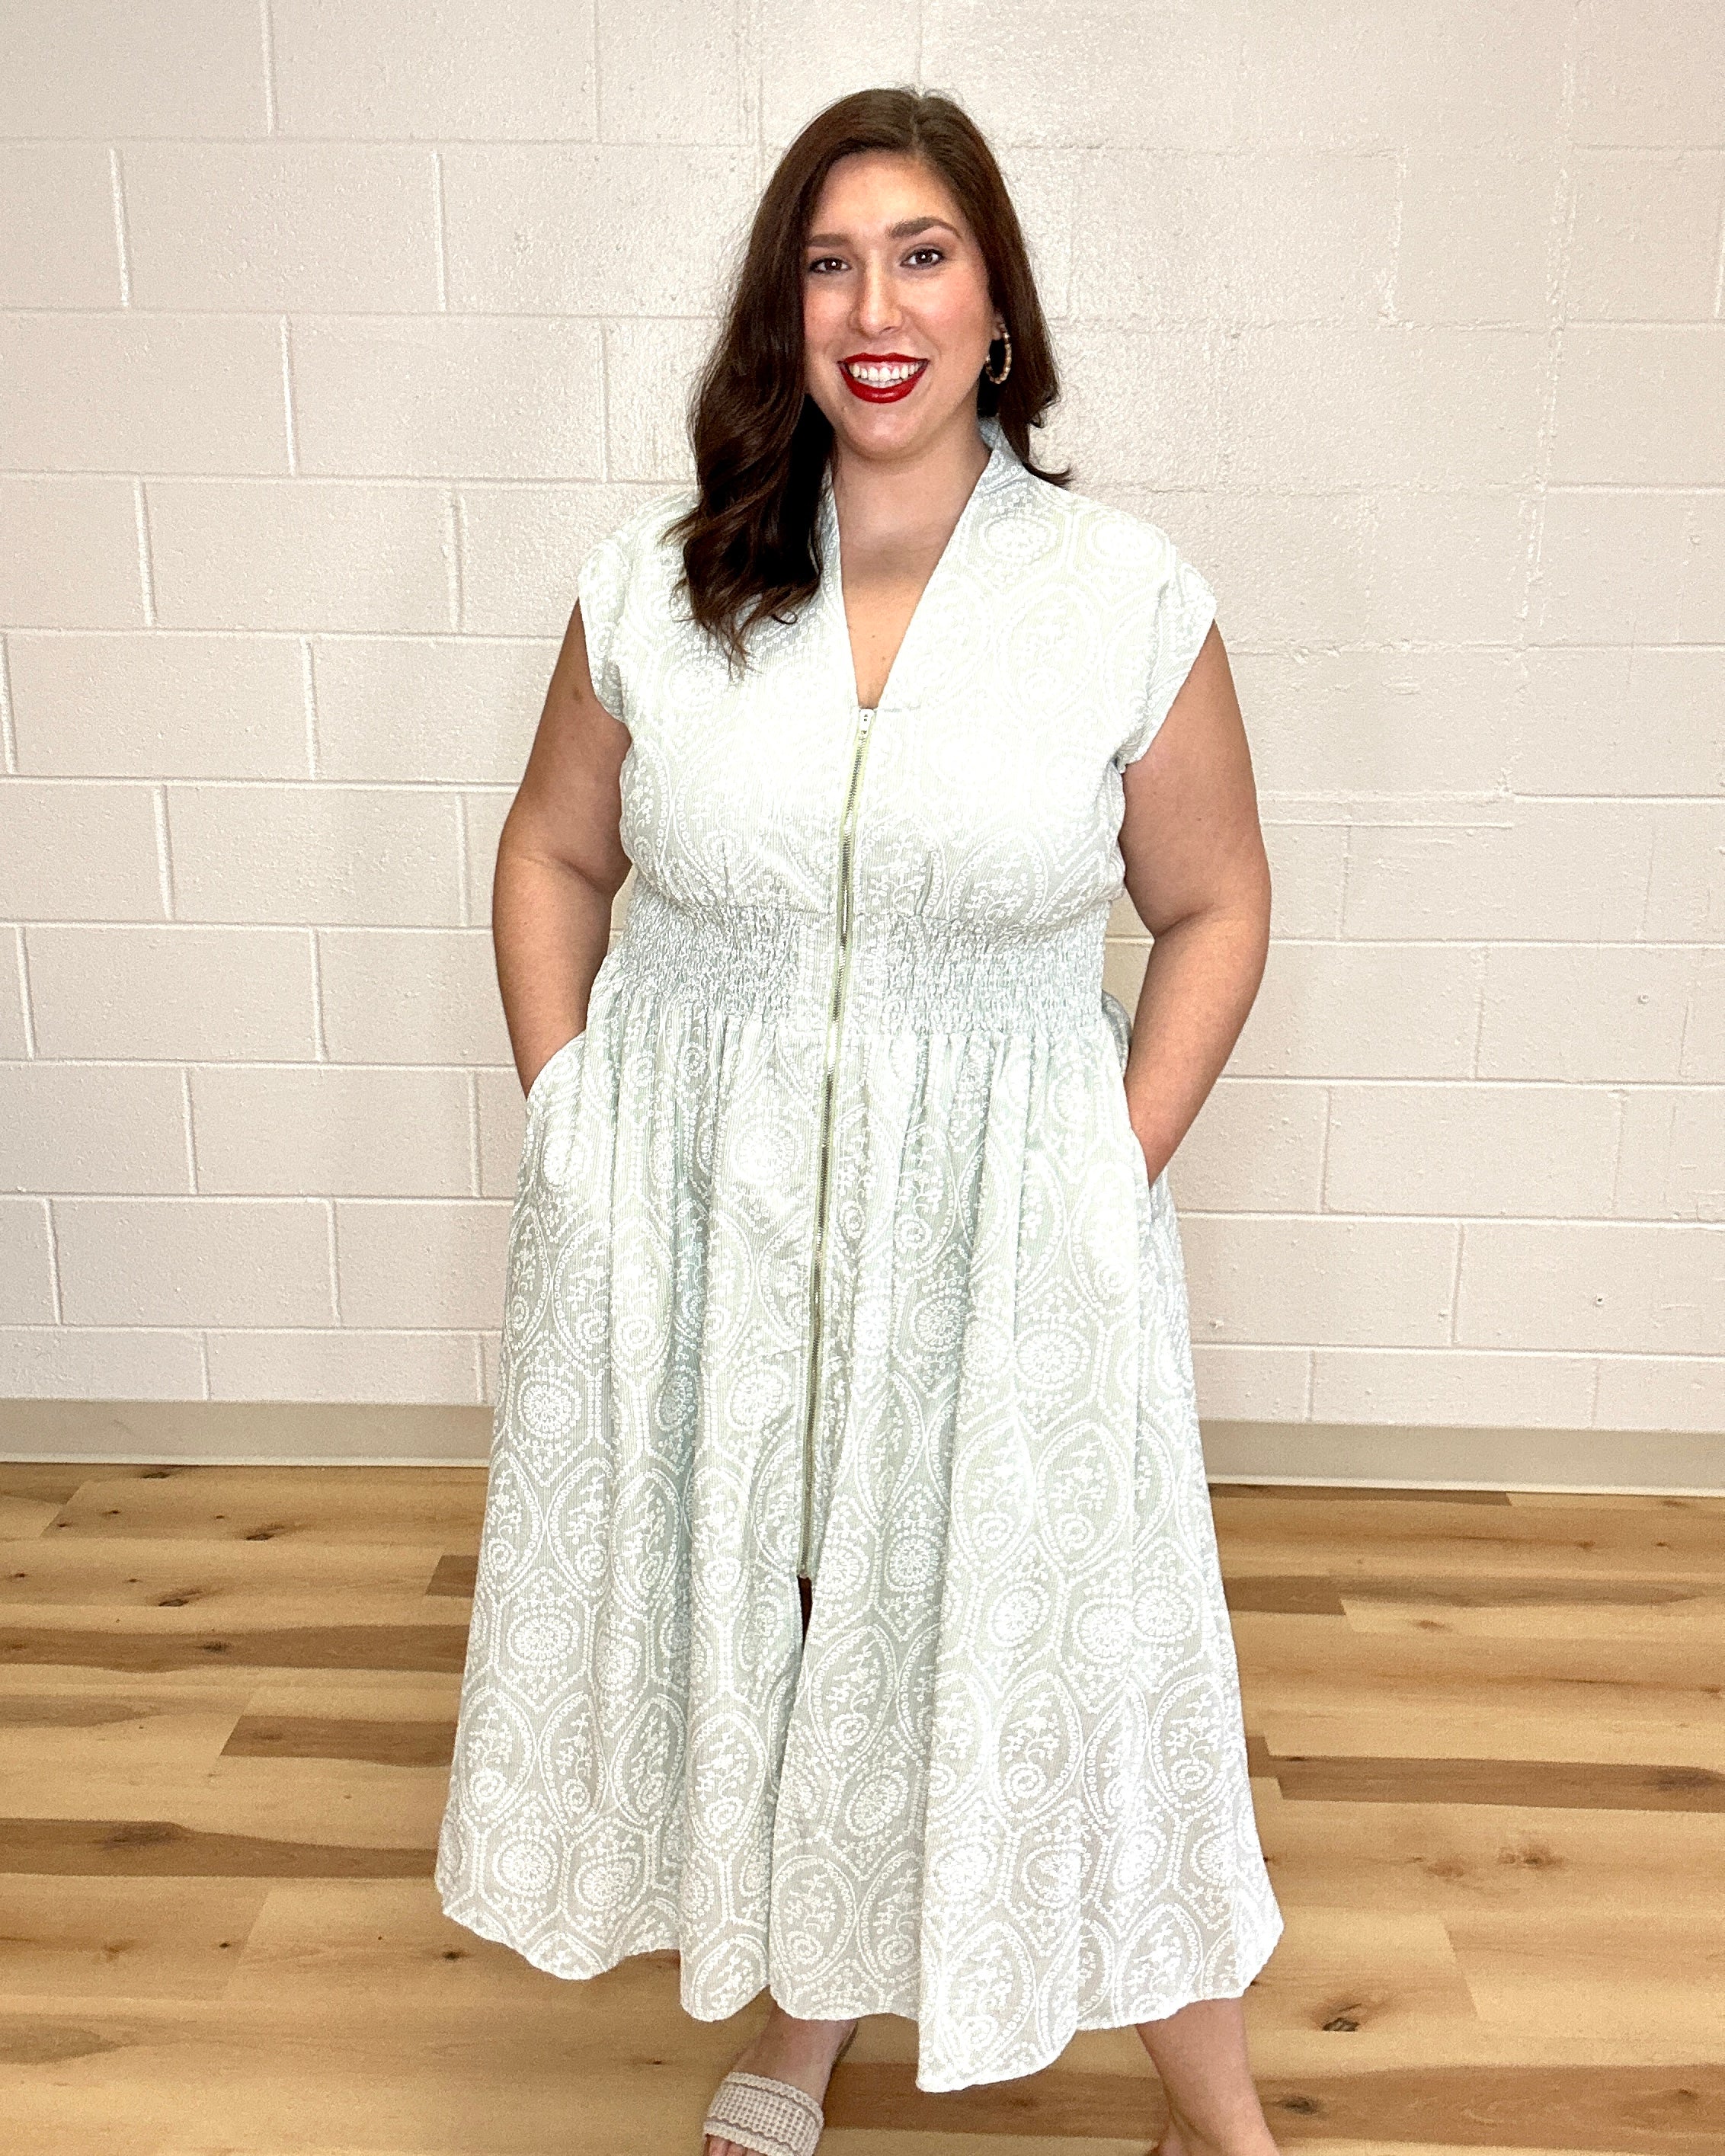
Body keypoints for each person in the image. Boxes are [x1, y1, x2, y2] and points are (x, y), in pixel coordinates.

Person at [435, 85, 1285, 2156]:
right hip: (710, 1211)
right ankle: (807, 2021)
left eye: (922, 257)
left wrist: (1111, 1162)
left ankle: (1223, 2120)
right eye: (830, 266)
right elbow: (552, 851)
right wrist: (572, 1117)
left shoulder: (1120, 596)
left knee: (1072, 1652)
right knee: (795, 1620)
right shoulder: (661, 585)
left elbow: (1217, 903)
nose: (875, 310)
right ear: (783, 314)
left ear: (999, 309)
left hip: (1000, 1217)